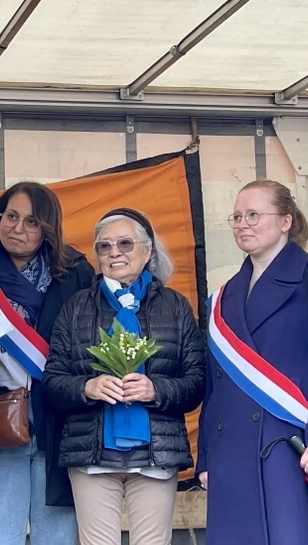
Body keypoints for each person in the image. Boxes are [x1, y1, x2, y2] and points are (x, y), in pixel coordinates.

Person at [196, 179, 308, 545]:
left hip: (295, 447)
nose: (242, 223)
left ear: (285, 221)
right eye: (237, 216)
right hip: (230, 452)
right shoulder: (223, 297)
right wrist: (206, 457)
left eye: (254, 214)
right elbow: (215, 386)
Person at [43, 208, 206, 545]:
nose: (114, 252)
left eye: (125, 243)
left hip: (155, 452)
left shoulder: (175, 306)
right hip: (92, 454)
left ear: (147, 251)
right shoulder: (75, 307)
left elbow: (196, 382)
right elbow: (53, 381)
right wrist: (88, 387)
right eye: (104, 246)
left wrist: (154, 389)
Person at [0, 182, 94, 545]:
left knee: (57, 536)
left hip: (57, 421)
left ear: (48, 229)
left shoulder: (76, 273)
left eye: (32, 222)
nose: (18, 228)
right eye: (11, 216)